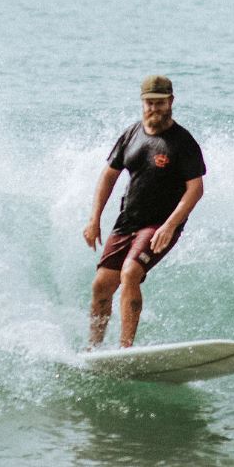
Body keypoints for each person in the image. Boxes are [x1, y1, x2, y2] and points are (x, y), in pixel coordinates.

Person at [83, 75, 206, 349]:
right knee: (101, 285)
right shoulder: (131, 134)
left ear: (171, 102)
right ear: (142, 103)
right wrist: (94, 220)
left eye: (160, 103)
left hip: (160, 224)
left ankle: (125, 349)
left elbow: (196, 189)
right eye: (149, 103)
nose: (154, 109)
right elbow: (108, 176)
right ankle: (93, 348)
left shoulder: (182, 142)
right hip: (127, 222)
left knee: (130, 273)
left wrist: (170, 226)